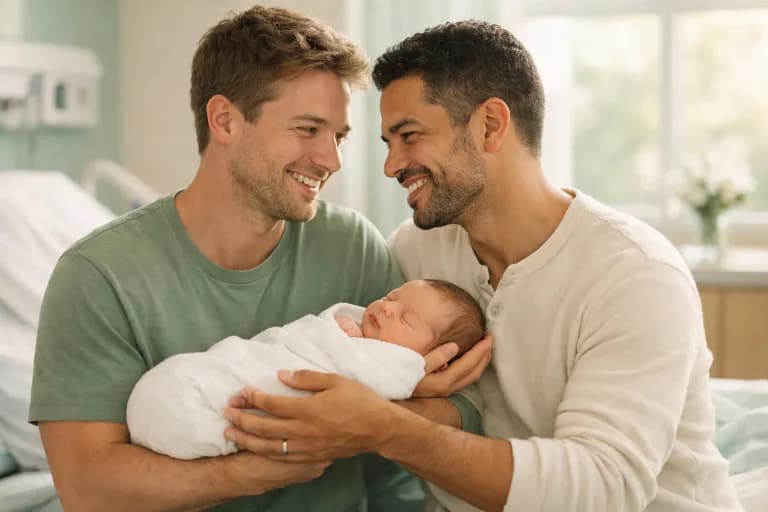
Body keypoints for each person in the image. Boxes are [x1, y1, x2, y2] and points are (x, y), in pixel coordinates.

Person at [221, 20, 744, 512]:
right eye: (387, 142)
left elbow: (603, 484)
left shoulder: (635, 275)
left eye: (409, 135)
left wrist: (389, 430)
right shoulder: (414, 253)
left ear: (491, 125)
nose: (392, 165)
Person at [30, 7, 488, 511]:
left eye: (338, 136)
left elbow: (456, 412)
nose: (331, 160)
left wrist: (401, 417)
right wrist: (270, 463)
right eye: (308, 129)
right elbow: (89, 489)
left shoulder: (349, 245)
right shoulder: (99, 277)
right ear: (225, 119)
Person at [127, 279, 486, 460]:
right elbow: (292, 341)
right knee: (197, 376)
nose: (388, 309)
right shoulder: (347, 325)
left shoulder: (391, 368)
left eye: (406, 319)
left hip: (254, 389)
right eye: (392, 297)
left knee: (214, 405)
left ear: (433, 358)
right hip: (244, 360)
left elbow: (384, 385)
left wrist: (409, 377)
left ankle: (184, 419)